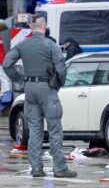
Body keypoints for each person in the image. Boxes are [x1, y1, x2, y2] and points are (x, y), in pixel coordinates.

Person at [3, 16, 77, 178]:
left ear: (31, 27)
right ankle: (60, 168)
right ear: (44, 27)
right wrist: (58, 84)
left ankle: (36, 168)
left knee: (35, 131)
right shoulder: (50, 44)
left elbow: (7, 63)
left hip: (29, 90)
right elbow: (61, 68)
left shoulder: (22, 44)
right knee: (54, 130)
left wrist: (21, 80)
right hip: (47, 89)